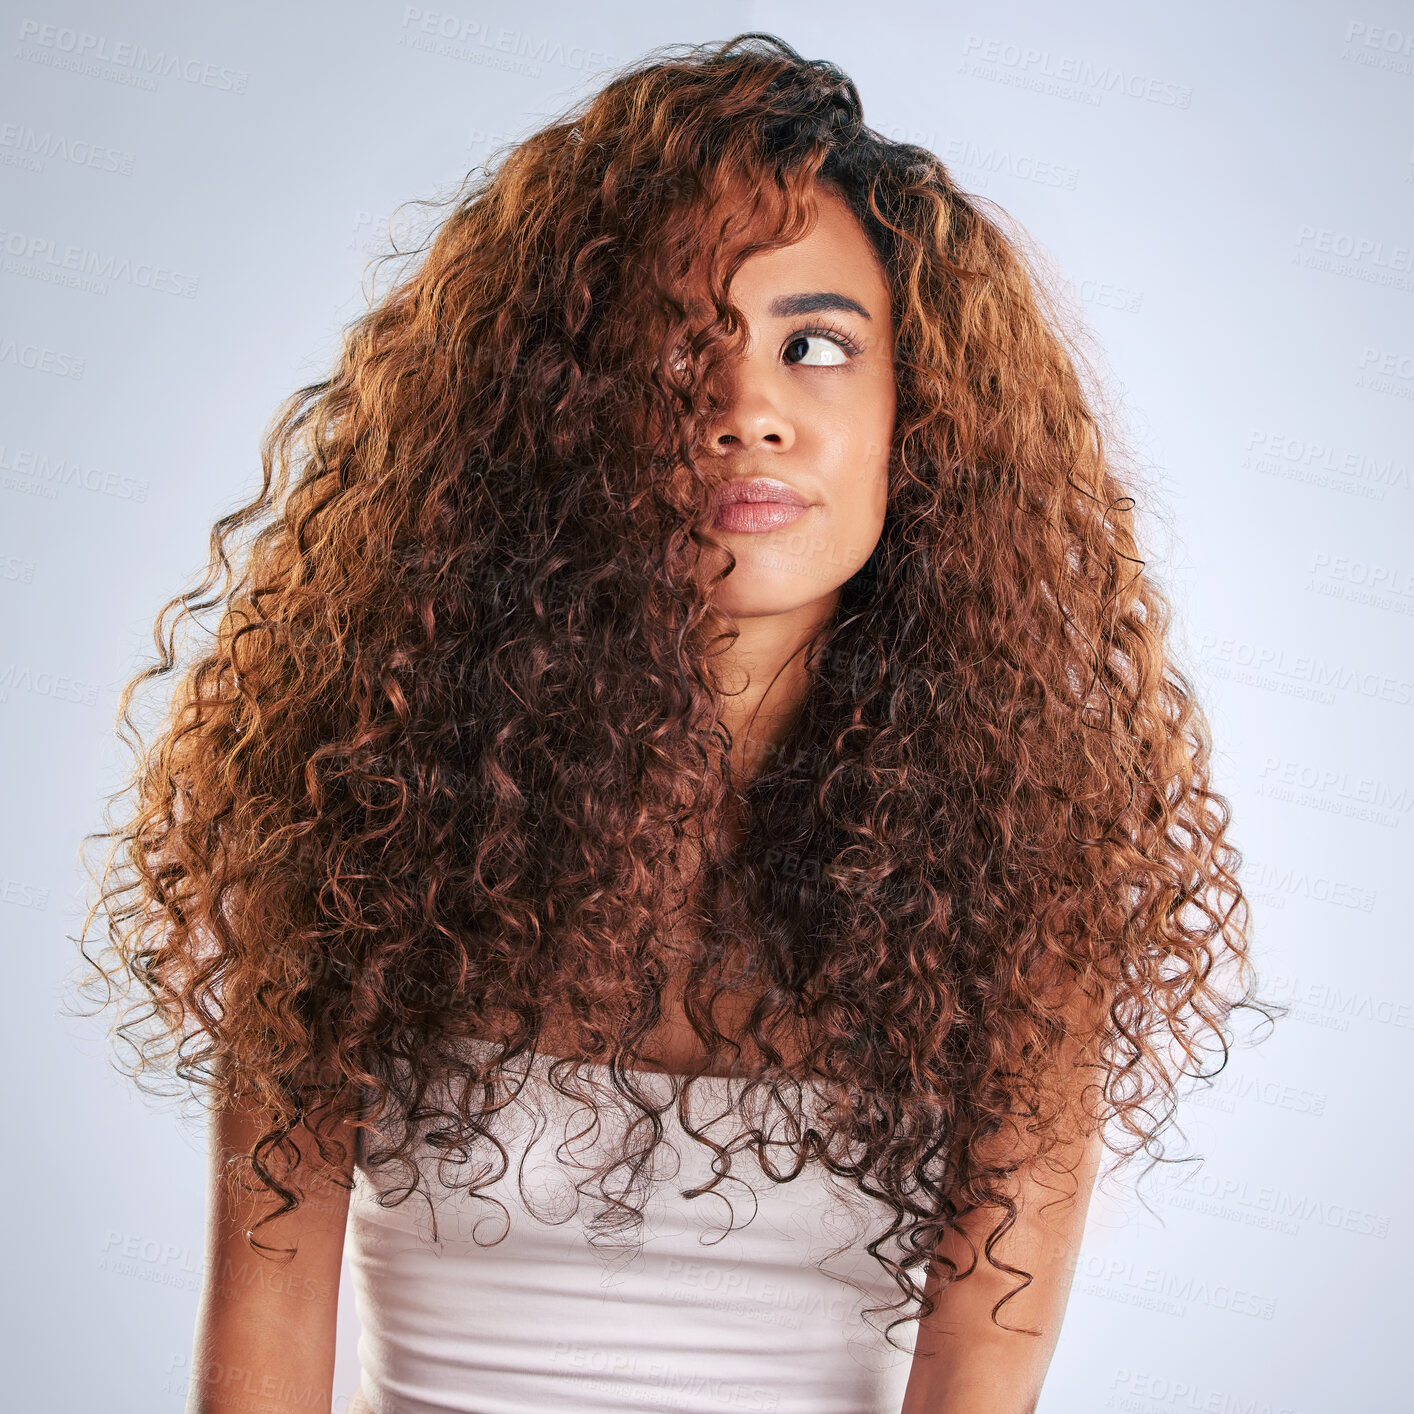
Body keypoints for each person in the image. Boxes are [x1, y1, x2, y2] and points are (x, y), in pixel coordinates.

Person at [72, 32, 1282, 1414]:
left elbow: (975, 1386)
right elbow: (261, 1355)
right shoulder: (354, 833)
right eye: (672, 345)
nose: (745, 409)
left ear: (920, 415)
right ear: (553, 414)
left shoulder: (1020, 900)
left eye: (813, 345)